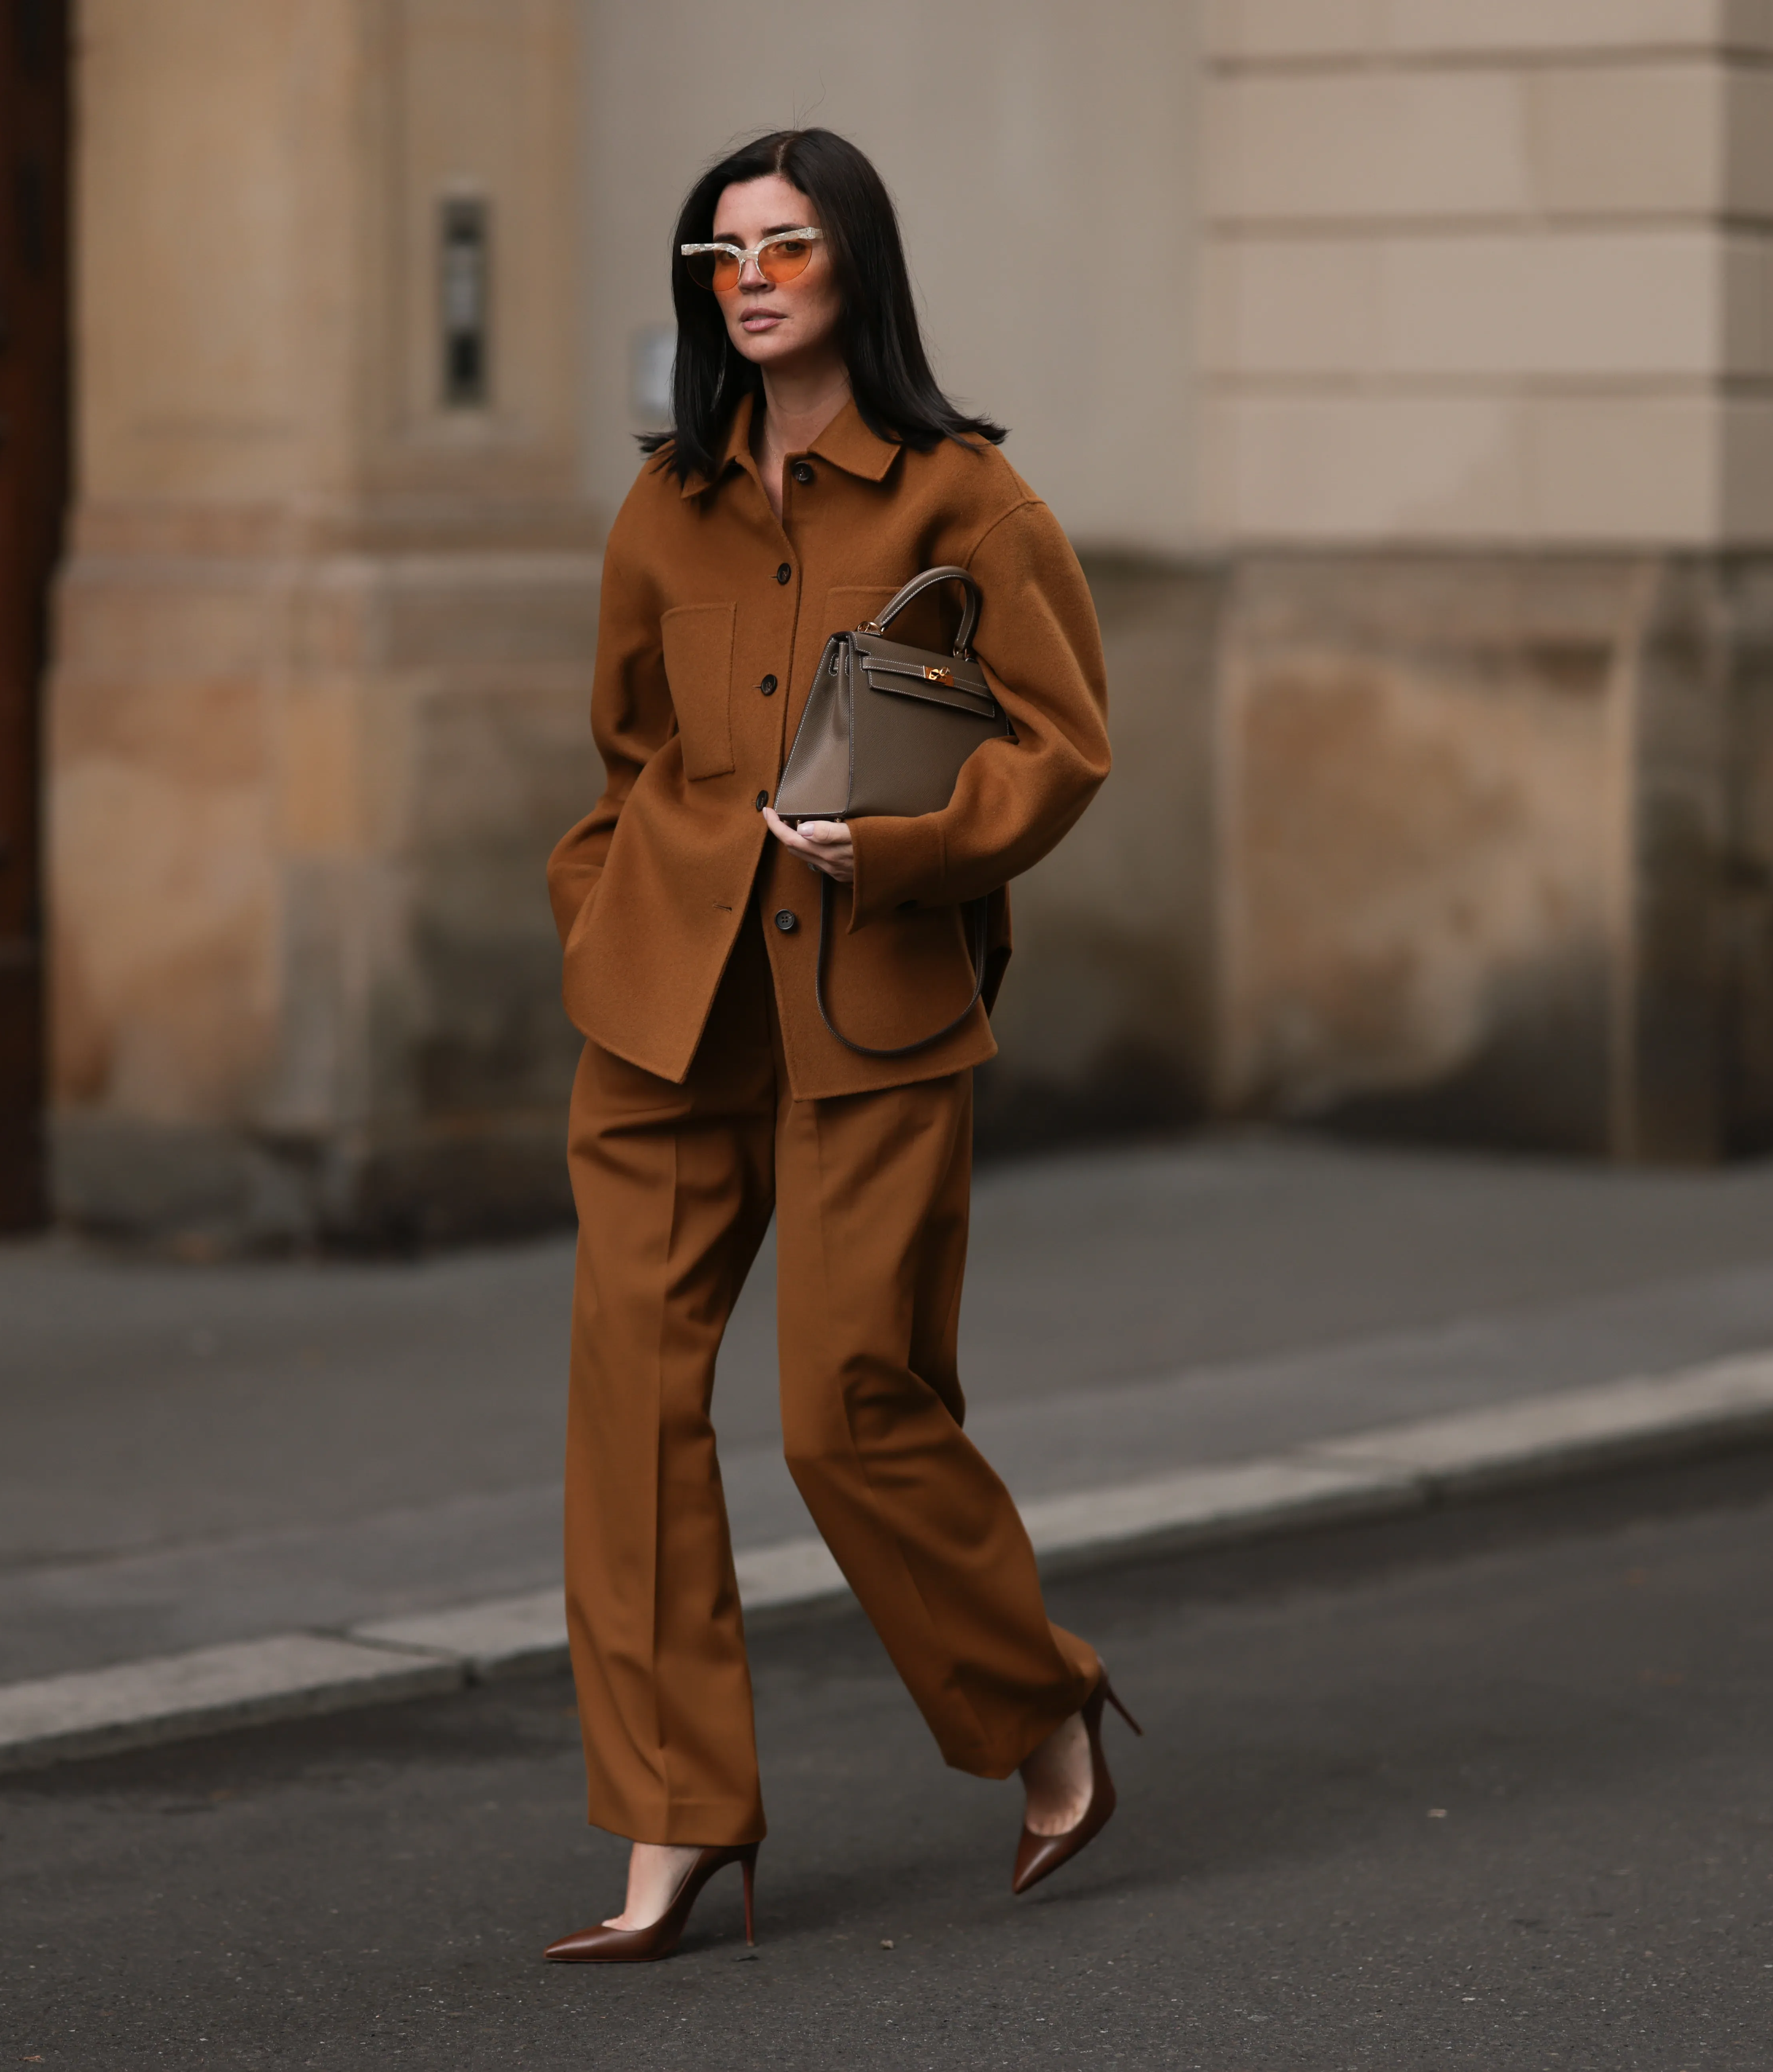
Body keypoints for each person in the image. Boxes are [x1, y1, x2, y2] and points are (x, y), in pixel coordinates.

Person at [540, 128, 1127, 1965]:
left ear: (854, 262)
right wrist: (596, 906)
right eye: (722, 255)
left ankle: (1037, 1706)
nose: (752, 279)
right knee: (628, 1414)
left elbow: (1062, 746)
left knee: (849, 1414)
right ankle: (671, 1820)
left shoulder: (968, 501)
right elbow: (626, 756)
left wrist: (913, 850)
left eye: (785, 245)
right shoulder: (664, 505)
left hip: (873, 1003)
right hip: (664, 1014)